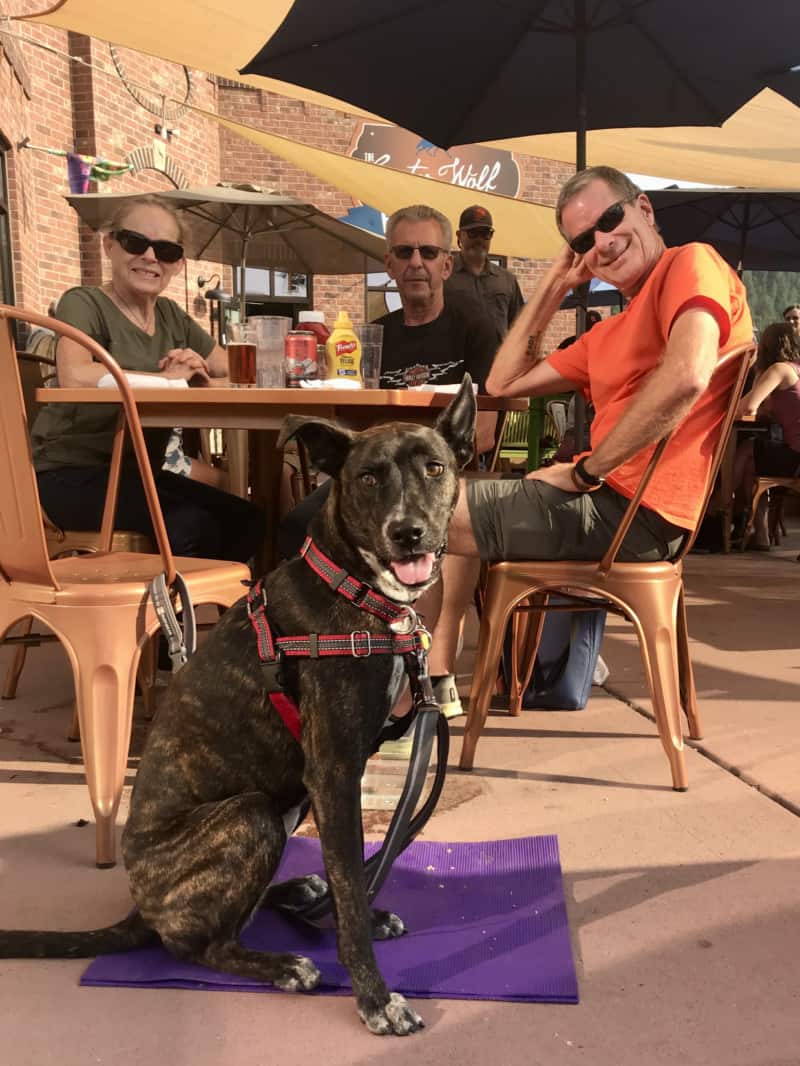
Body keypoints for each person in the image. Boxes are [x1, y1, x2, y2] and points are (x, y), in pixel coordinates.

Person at [416, 164, 754, 695]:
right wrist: (554, 283)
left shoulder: (690, 263)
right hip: (613, 506)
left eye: (610, 219)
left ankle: (395, 694)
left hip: (631, 513)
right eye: (582, 240)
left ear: (644, 209)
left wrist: (589, 471)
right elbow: (503, 382)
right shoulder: (611, 329)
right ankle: (427, 672)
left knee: (402, 513)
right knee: (426, 506)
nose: (602, 242)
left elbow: (688, 375)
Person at [278, 203, 499, 717]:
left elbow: (484, 428)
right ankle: (336, 658)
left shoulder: (476, 329)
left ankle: (431, 671)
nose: (416, 262)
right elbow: (351, 428)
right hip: (380, 483)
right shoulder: (371, 337)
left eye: (429, 251)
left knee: (443, 527)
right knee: (297, 524)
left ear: (448, 264)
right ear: (389, 265)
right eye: (404, 252)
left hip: (444, 473)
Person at [31, 195, 265, 564]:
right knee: (191, 526)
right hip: (66, 475)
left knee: (249, 519)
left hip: (136, 475)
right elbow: (75, 375)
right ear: (109, 245)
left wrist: (196, 375)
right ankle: (164, 618)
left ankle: (222, 614)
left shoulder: (172, 316)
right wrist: (168, 379)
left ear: (178, 264)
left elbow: (236, 372)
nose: (151, 257)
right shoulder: (85, 302)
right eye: (135, 242)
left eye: (166, 250)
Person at [732, 321, 800, 548]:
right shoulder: (795, 369)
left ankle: (717, 507)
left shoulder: (779, 370)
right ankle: (759, 533)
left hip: (796, 456)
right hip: (795, 453)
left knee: (745, 449)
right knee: (753, 464)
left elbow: (747, 408)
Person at [444, 204, 524, 345]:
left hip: (496, 364)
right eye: (473, 233)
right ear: (459, 235)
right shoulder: (444, 276)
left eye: (485, 233)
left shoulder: (507, 280)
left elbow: (519, 328)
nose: (479, 240)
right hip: (454, 362)